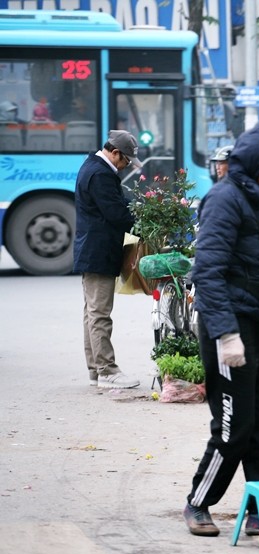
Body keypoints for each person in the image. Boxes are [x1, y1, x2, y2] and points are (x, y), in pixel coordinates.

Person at [183, 120, 259, 537]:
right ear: (258, 163)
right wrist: (225, 333)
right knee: (234, 427)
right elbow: (208, 271)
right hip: (228, 325)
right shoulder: (223, 200)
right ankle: (199, 503)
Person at [72, 130, 142, 389]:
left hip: (92, 250)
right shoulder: (101, 174)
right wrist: (141, 224)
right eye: (125, 161)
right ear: (114, 153)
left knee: (92, 313)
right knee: (100, 313)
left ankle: (95, 370)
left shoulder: (92, 166)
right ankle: (107, 370)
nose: (125, 167)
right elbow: (116, 213)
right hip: (98, 251)